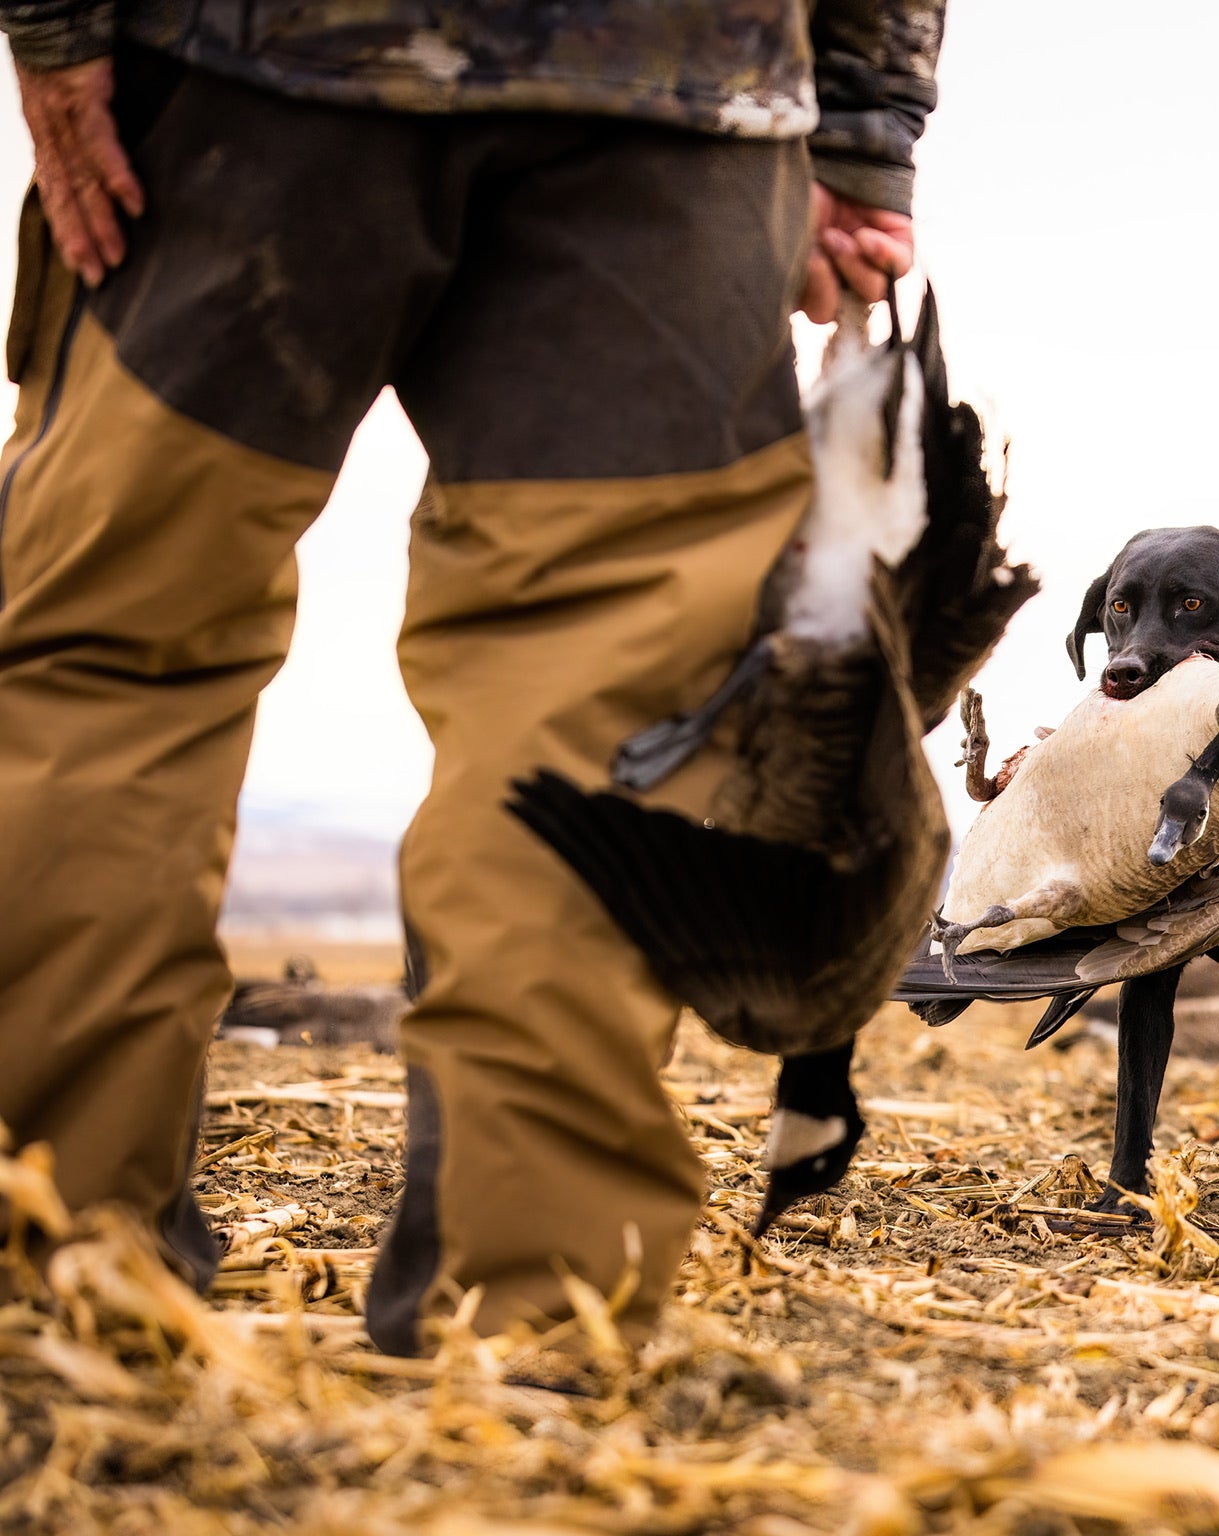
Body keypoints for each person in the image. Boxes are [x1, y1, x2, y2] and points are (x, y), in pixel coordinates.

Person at [0, 0, 943, 1355]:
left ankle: (57, 1270)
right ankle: (541, 1315)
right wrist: (861, 125)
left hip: (252, 67)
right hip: (672, 84)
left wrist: (55, 29)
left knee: (110, 655)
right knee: (604, 699)